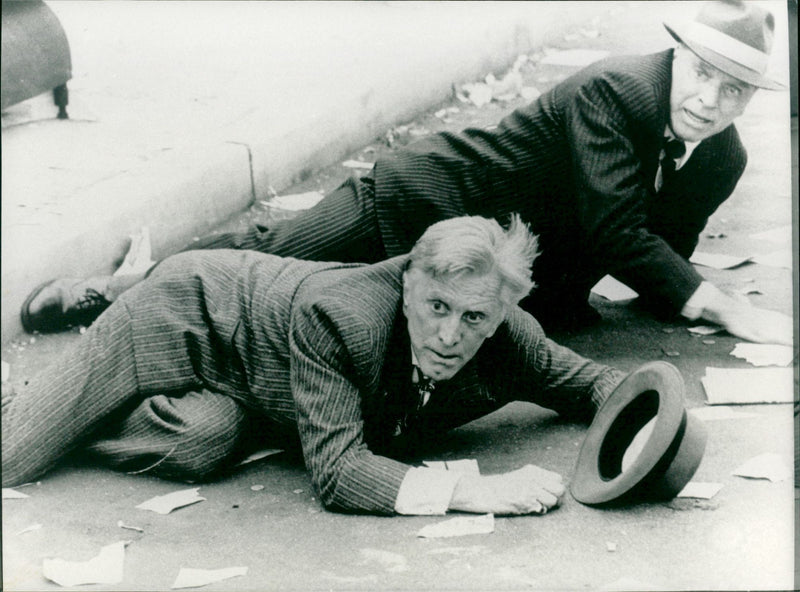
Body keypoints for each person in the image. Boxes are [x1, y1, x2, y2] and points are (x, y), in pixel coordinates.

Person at [21, 0, 791, 345]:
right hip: (418, 199)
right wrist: (723, 309)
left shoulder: (723, 155)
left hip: (481, 273)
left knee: (319, 322)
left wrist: (690, 299)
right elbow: (619, 232)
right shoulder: (615, 92)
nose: (709, 101)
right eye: (701, 75)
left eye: (734, 91)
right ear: (675, 59)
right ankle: (117, 292)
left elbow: (667, 255)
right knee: (265, 261)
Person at [3, 215, 627, 516]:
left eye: (473, 319)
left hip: (251, 384)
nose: (449, 335)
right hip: (188, 313)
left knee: (202, 443)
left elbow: (595, 383)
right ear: (407, 285)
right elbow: (340, 476)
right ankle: (44, 399)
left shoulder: (509, 334)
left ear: (500, 316)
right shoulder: (341, 316)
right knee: (12, 455)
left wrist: (653, 434)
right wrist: (476, 490)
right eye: (437, 306)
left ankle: (79, 411)